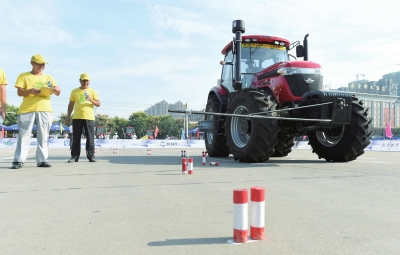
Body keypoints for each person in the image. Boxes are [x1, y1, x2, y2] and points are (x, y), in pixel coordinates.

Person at [11, 54, 61, 169]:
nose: (42, 66)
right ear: (32, 63)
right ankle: (19, 160)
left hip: (45, 109)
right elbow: (20, 92)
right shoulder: (23, 76)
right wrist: (31, 91)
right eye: (39, 64)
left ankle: (42, 160)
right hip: (27, 109)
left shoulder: (49, 78)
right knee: (24, 135)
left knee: (43, 135)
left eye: (43, 64)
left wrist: (57, 90)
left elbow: (58, 92)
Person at [66, 73, 100, 163]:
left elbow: (98, 104)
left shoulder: (93, 91)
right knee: (76, 137)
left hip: (89, 118)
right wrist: (68, 116)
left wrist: (90, 99)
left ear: (89, 81)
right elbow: (71, 104)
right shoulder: (74, 91)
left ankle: (91, 156)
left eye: (87, 81)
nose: (85, 82)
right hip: (77, 117)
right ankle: (74, 156)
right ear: (80, 81)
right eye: (84, 80)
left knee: (90, 137)